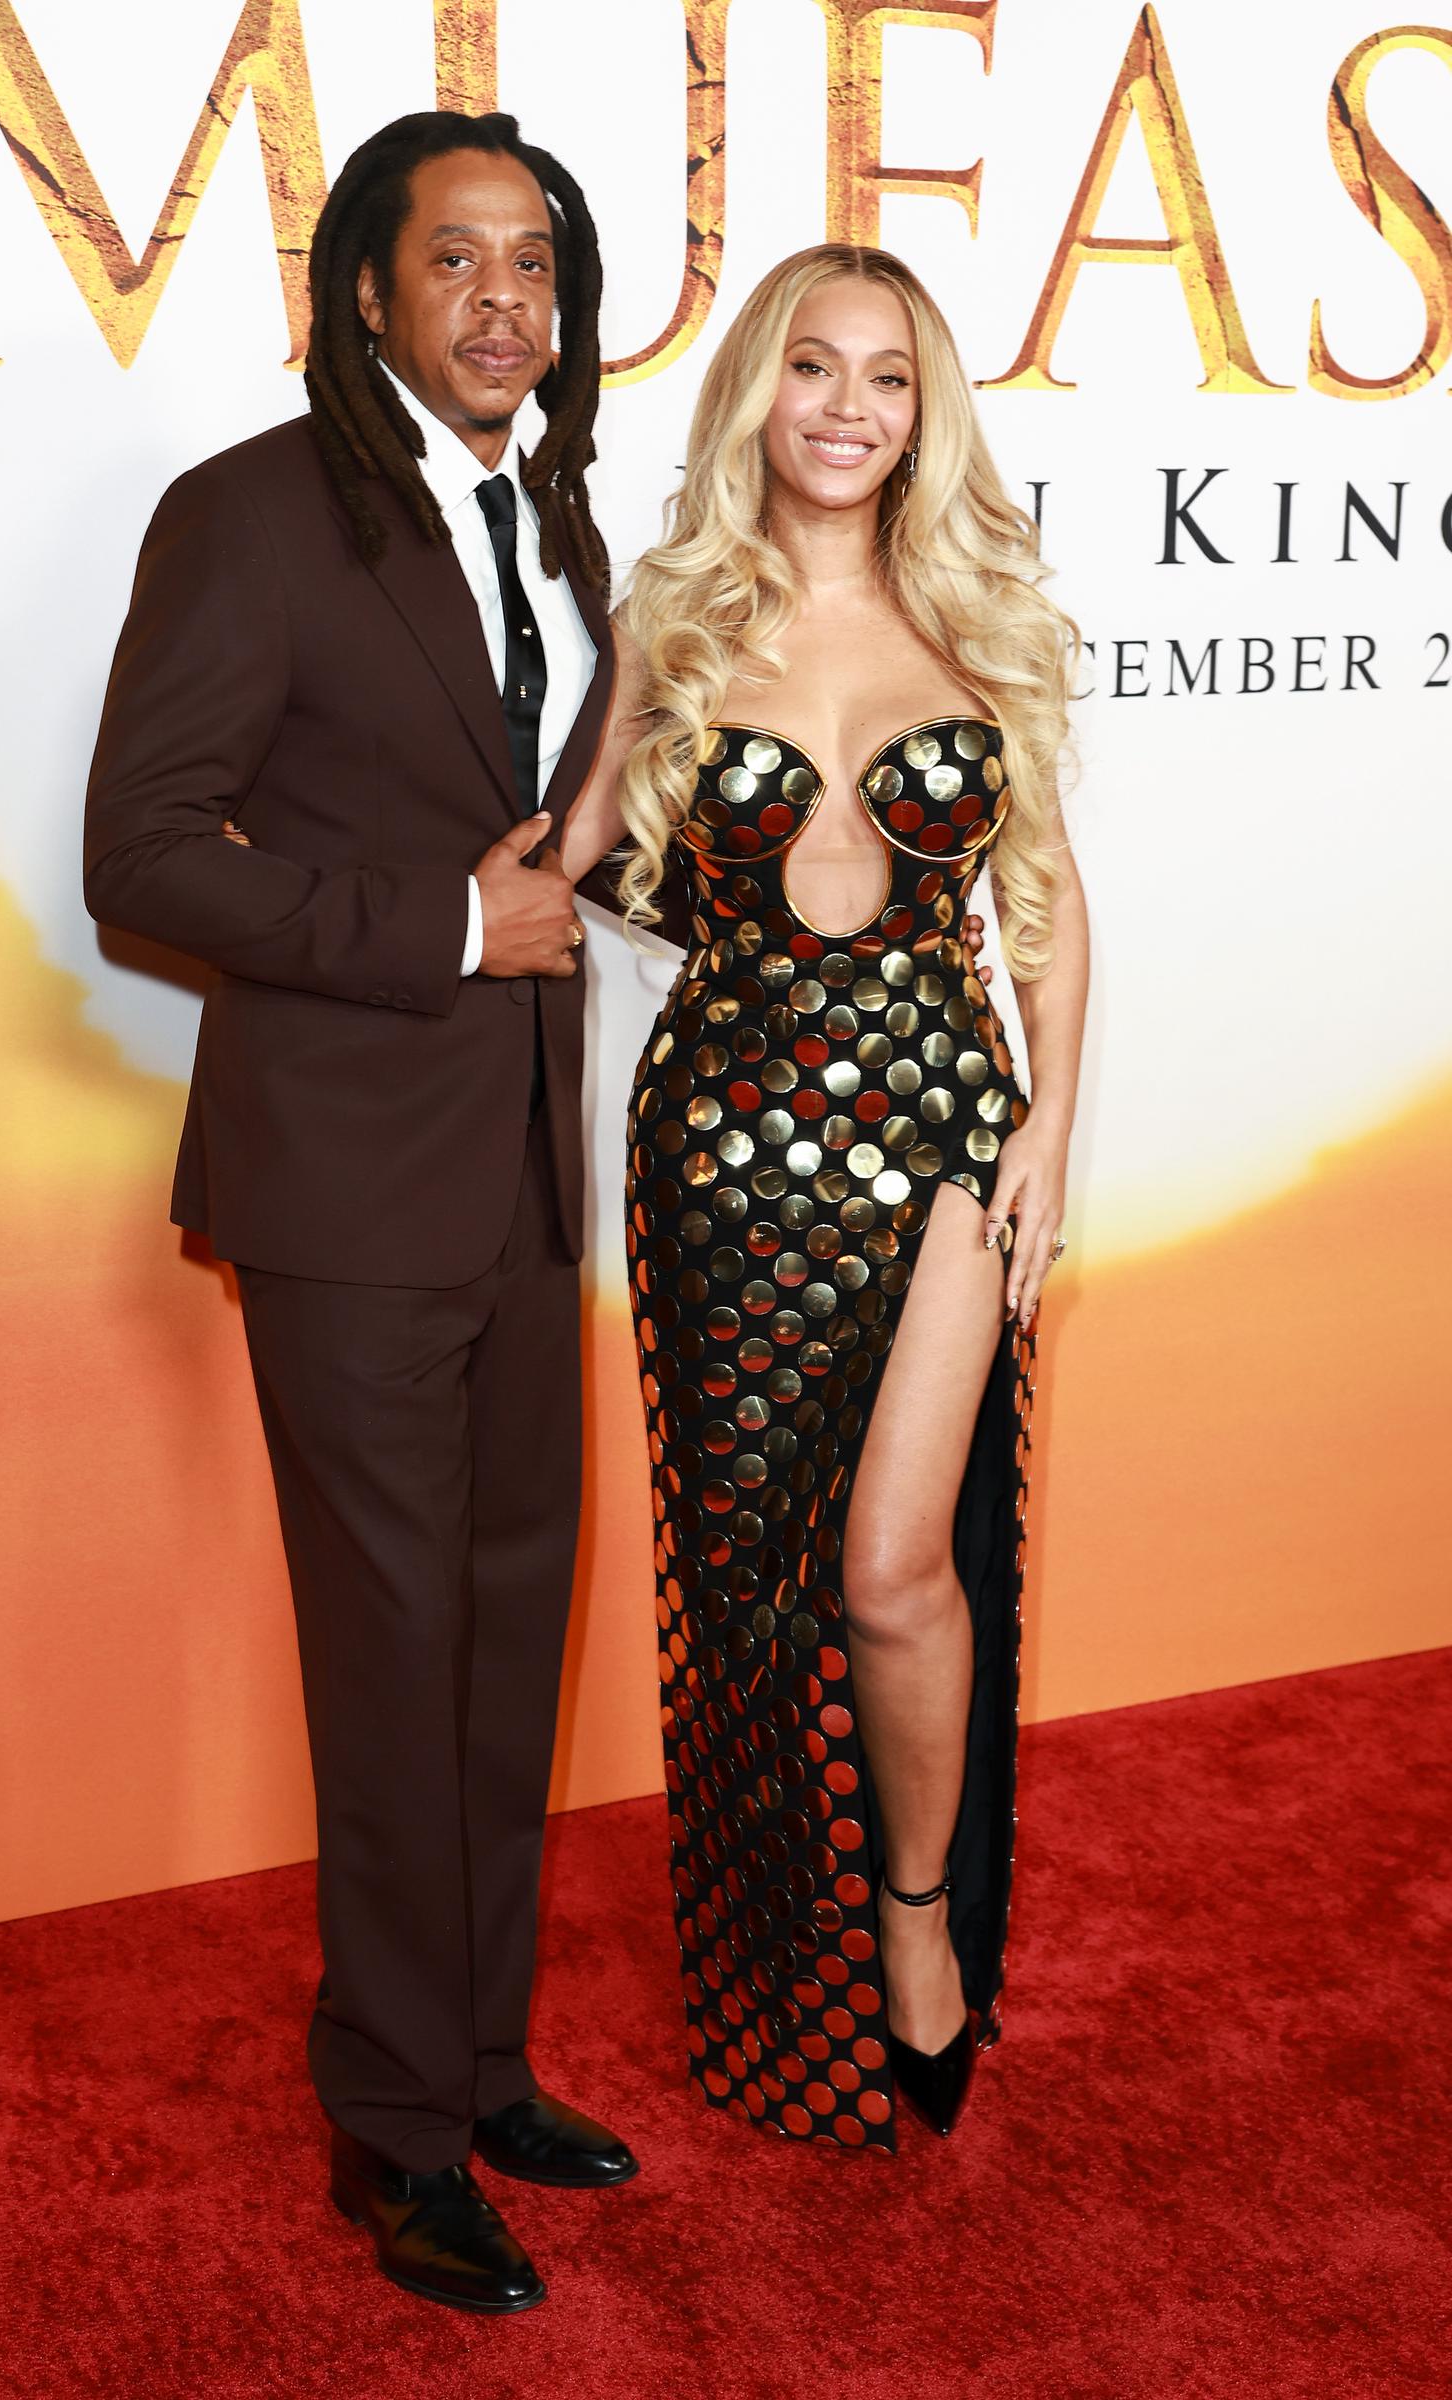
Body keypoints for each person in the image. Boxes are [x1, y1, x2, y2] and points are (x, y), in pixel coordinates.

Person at [84, 111, 639, 2320]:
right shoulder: (249, 514)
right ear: (368, 293)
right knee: (395, 1663)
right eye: (460, 264)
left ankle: (485, 2061)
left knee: (509, 1647)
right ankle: (396, 2129)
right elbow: (144, 856)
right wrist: (433, 928)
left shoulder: (567, 510)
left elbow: (571, 826)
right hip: (340, 1190)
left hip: (520, 1167)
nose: (506, 303)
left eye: (537, 267)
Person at [562, 242, 1089, 2149]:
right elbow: (569, 859)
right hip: (721, 1146)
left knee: (891, 1564)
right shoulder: (681, 620)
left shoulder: (981, 621)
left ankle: (920, 1912)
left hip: (950, 1133)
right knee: (752, 1589)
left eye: (886, 376)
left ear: (925, 413)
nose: (848, 406)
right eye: (810, 367)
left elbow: (1047, 894)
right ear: (756, 402)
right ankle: (778, 1932)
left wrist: (1047, 1122)